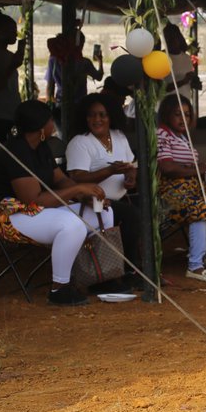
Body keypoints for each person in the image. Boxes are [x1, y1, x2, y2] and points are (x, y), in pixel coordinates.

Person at [0, 101, 109, 306]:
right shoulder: (15, 151)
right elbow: (32, 199)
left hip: (36, 211)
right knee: (72, 224)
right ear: (41, 127)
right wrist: (78, 189)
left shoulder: (41, 147)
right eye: (50, 120)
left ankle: (97, 276)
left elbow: (60, 180)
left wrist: (85, 196)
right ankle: (59, 289)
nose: (53, 124)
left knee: (103, 213)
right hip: (6, 215)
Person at [64, 93, 141, 285]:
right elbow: (77, 178)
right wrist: (110, 170)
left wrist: (130, 177)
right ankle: (127, 272)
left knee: (147, 211)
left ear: (111, 116)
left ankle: (134, 269)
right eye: (91, 115)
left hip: (122, 197)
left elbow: (132, 165)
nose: (96, 120)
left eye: (102, 115)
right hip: (93, 203)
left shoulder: (119, 136)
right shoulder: (80, 142)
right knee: (131, 215)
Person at [156, 93, 206, 281]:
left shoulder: (183, 136)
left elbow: (187, 166)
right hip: (170, 189)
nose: (183, 118)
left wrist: (199, 169)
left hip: (190, 185)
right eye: (178, 114)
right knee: (200, 206)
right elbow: (166, 167)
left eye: (187, 114)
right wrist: (196, 170)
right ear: (167, 114)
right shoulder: (162, 133)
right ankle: (195, 265)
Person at [0, 9, 24, 144]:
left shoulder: (10, 56)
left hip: (10, 115)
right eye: (11, 30)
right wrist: (12, 66)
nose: (15, 34)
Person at [163, 23, 199, 99]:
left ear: (179, 38)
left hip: (185, 102)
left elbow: (188, 82)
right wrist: (183, 81)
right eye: (167, 38)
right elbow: (161, 88)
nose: (170, 41)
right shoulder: (161, 58)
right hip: (167, 105)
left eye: (173, 37)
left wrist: (194, 82)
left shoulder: (187, 58)